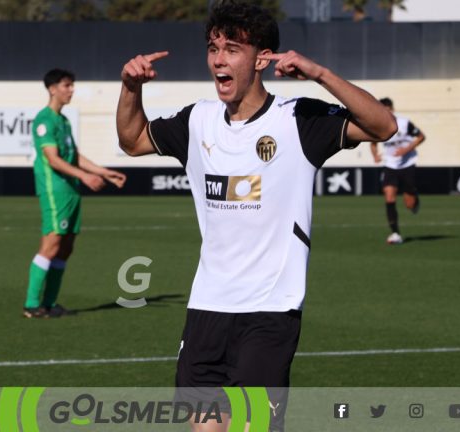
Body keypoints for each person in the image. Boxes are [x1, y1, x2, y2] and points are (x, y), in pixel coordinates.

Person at [116, 1, 397, 430]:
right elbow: (132, 140)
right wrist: (130, 88)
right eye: (213, 48)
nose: (218, 59)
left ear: (262, 58)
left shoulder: (298, 119)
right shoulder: (197, 120)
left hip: (269, 311)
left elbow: (383, 126)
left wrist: (318, 74)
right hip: (206, 308)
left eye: (232, 48)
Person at [23, 68, 127, 319]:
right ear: (52, 89)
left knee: (66, 246)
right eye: (67, 85)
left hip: (70, 189)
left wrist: (104, 172)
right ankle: (31, 304)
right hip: (54, 189)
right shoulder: (44, 120)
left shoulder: (63, 121)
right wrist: (85, 177)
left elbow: (74, 156)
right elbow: (53, 159)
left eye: (72, 85)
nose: (71, 90)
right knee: (51, 243)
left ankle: (49, 303)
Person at [370, 97, 425, 245]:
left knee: (410, 204)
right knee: (389, 197)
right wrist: (375, 155)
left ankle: (414, 197)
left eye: (388, 109)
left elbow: (421, 137)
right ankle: (395, 233)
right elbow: (373, 143)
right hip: (390, 166)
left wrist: (406, 149)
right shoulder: (377, 126)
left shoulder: (404, 123)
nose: (386, 112)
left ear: (392, 109)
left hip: (408, 164)